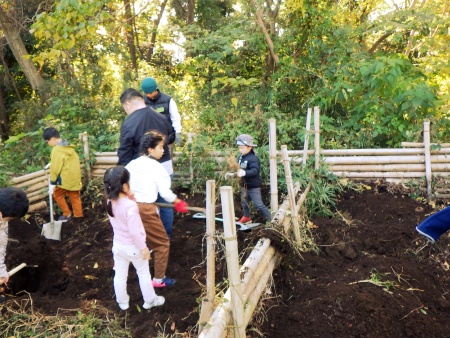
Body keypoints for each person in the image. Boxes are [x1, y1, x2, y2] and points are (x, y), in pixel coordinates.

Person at [125, 130, 189, 288]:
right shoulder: (157, 168)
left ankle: (121, 268)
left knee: (133, 239)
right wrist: (178, 201)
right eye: (160, 147)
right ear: (150, 150)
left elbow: (124, 184)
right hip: (145, 209)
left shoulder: (131, 165)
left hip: (128, 207)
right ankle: (159, 280)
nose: (163, 150)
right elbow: (165, 193)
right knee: (162, 244)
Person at [103, 166, 165, 310]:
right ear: (125, 186)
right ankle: (150, 300)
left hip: (118, 246)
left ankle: (123, 302)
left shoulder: (110, 202)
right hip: (134, 247)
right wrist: (143, 248)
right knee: (143, 274)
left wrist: (131, 198)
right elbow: (135, 232)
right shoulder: (130, 207)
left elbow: (121, 214)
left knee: (120, 275)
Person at [118, 88, 175, 238]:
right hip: (164, 166)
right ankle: (166, 236)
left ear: (128, 104)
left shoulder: (129, 122)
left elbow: (125, 152)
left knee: (143, 204)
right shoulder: (161, 116)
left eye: (124, 108)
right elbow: (170, 136)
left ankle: (147, 237)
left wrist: (125, 176)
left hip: (142, 172)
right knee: (166, 205)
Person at [43, 127, 83, 221]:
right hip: (74, 178)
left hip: (64, 179)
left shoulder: (56, 150)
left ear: (52, 139)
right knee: (75, 197)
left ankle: (67, 213)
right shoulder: (68, 146)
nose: (48, 144)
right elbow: (65, 160)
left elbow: (55, 168)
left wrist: (52, 183)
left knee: (57, 194)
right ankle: (78, 217)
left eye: (47, 141)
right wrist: (52, 162)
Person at [235, 134, 271, 224]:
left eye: (242, 148)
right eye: (239, 148)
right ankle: (246, 217)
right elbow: (238, 169)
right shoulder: (240, 157)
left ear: (249, 147)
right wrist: (234, 174)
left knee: (258, 204)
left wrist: (245, 173)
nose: (240, 150)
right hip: (244, 185)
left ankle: (270, 219)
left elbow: (255, 171)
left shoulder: (253, 158)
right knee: (244, 203)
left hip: (253, 187)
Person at [0, 188, 29, 286]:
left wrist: (1, 271)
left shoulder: (2, 222)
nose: (8, 220)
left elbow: (1, 246)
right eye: (10, 218)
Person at [141, 77, 182, 146]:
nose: (148, 95)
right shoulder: (142, 102)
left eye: (150, 93)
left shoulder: (168, 100)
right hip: (149, 140)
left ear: (156, 89)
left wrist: (178, 133)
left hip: (166, 139)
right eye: (146, 93)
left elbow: (175, 117)